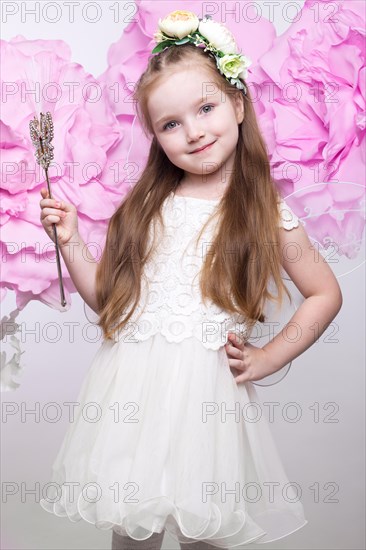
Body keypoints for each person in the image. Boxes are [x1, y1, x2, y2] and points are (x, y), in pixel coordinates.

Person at [38, 10, 343, 550]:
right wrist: (70, 242)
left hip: (206, 395)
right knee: (133, 525)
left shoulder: (264, 210)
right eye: (171, 124)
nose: (194, 131)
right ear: (155, 137)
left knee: (206, 526)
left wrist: (269, 357)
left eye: (206, 108)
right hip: (130, 391)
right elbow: (112, 301)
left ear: (238, 104)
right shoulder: (147, 207)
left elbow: (324, 293)